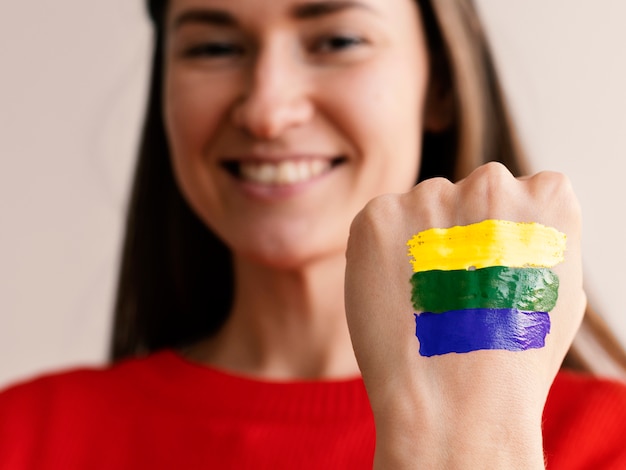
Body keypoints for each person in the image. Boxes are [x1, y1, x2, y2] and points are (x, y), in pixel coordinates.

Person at [1, 0, 626, 468]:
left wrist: (467, 439)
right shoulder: (23, 437)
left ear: (439, 83)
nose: (267, 112)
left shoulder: (607, 440)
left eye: (337, 40)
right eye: (213, 48)